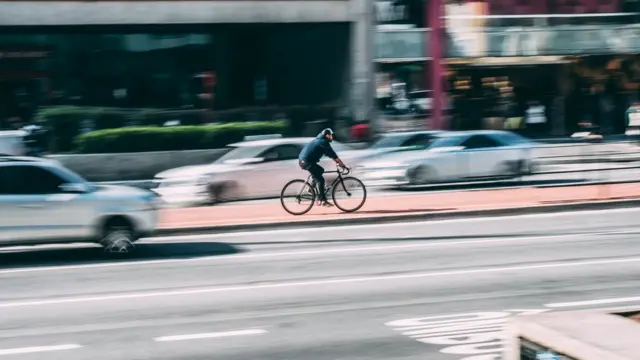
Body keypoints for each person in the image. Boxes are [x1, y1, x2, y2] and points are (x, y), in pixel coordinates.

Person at [298, 128, 347, 207]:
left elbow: (330, 155)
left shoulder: (320, 141)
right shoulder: (323, 142)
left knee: (320, 170)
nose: (332, 137)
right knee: (320, 180)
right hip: (306, 162)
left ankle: (311, 189)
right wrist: (342, 165)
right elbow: (333, 155)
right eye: (331, 136)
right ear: (327, 135)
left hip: (305, 161)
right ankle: (323, 200)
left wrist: (338, 162)